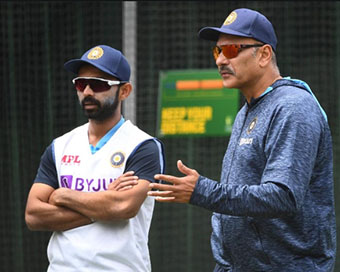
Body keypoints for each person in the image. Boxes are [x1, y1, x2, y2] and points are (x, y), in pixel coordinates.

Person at [147, 8, 336, 272]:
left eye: (233, 49)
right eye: (217, 51)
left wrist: (202, 191)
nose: (221, 60)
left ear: (264, 54)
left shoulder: (293, 107)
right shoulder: (246, 111)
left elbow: (283, 196)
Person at [25, 45, 165, 272]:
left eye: (99, 84)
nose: (88, 91)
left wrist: (62, 194)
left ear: (125, 91)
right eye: (81, 83)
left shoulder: (143, 146)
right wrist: (103, 204)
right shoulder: (60, 146)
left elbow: (124, 206)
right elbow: (33, 214)